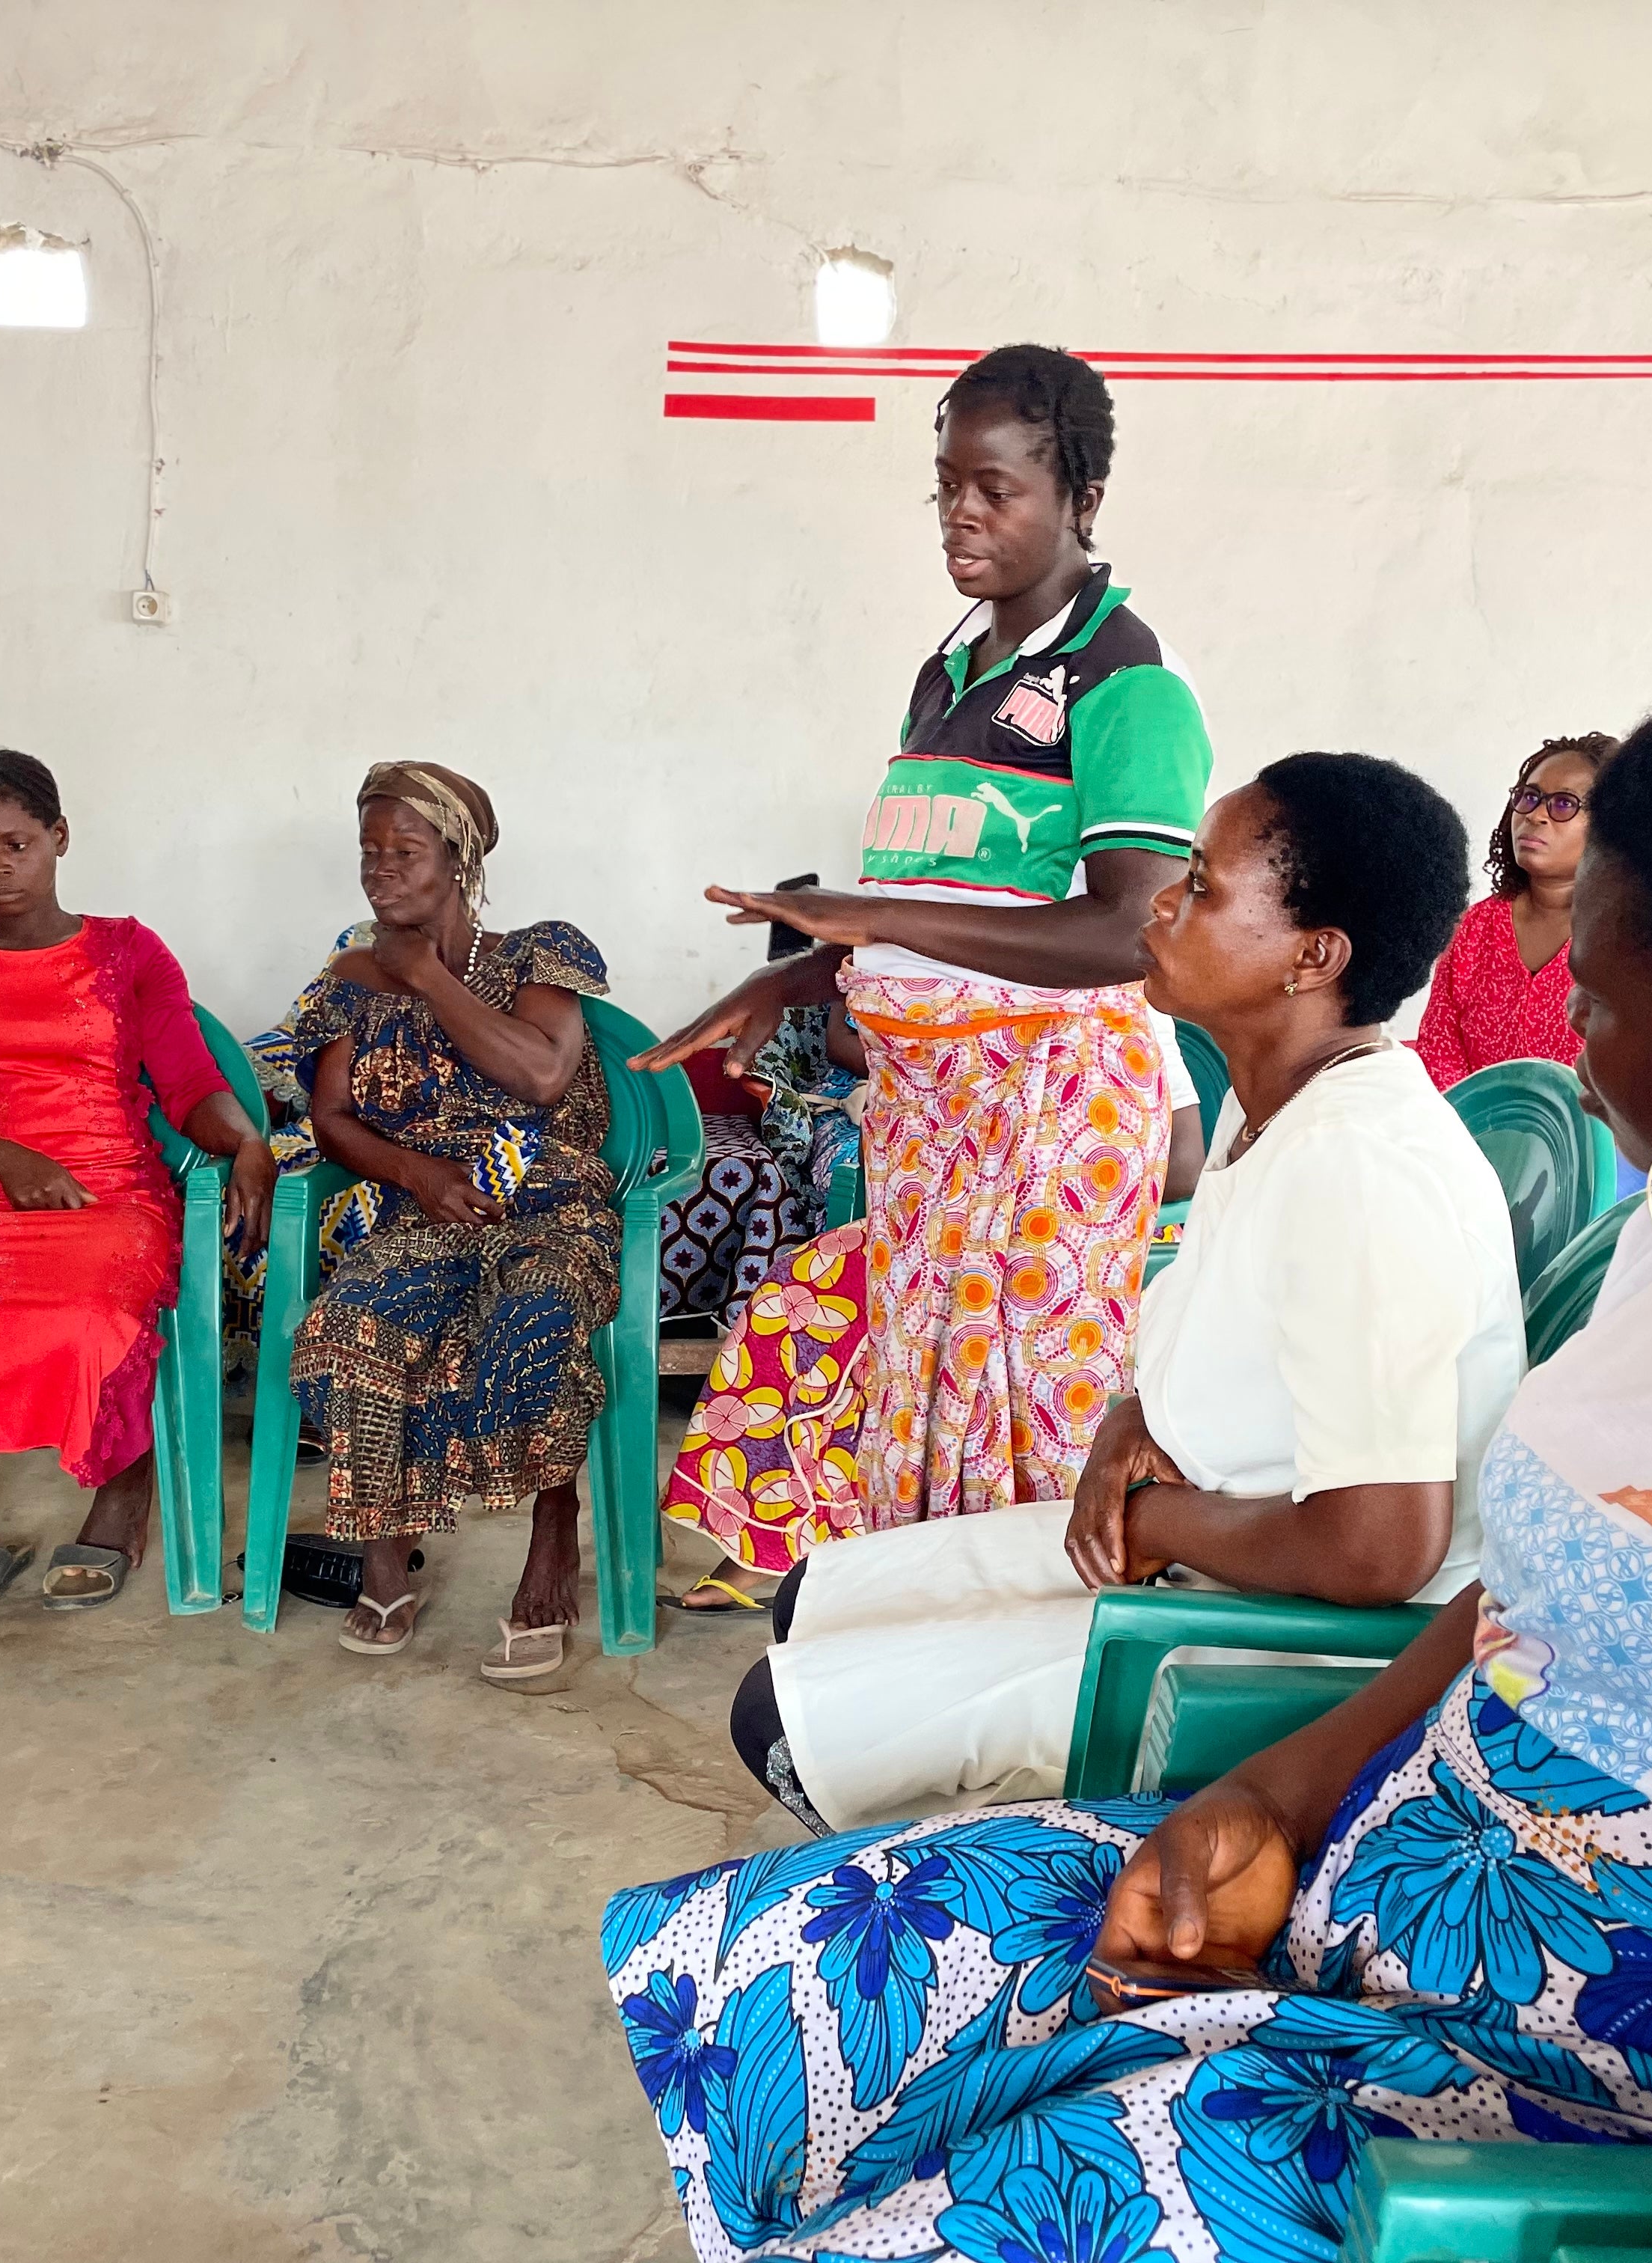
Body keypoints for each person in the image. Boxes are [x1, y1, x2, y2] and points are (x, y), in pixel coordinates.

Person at [598, 668, 1652, 2263]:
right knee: (808, 1964)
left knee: (1044, 2168)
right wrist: (1279, 1789)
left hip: (1608, 2053)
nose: (1566, 1023)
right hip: (1387, 1853)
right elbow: (1535, 1590)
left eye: (1604, 1003)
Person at [722, 753, 1524, 1831]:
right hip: (1219, 1540)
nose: (1160, 901)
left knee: (776, 1719)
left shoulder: (1360, 1163)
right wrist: (1132, 1419)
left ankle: (992, 1888)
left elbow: (1379, 1548)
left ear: (1312, 956)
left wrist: (1162, 1520)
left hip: (1288, 1633)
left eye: (1199, 884)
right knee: (808, 1598)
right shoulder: (1281, 1098)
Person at [632, 343, 1214, 1530]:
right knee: (929, 1409)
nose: (960, 512)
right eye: (947, 483)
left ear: (1081, 501)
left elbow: (1125, 933)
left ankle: (1031, 1692)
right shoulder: (948, 672)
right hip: (928, 1121)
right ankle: (925, 1674)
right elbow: (953, 901)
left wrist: (873, 919)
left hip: (1052, 1124)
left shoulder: (1127, 680)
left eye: (995, 488)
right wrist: (805, 972)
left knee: (1027, 1422)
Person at [0, 750, 274, 1612]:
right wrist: (2, 1157)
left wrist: (247, 1140)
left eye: (19, 843)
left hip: (114, 1200)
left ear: (60, 838)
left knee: (91, 1322)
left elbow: (186, 1085)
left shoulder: (127, 951)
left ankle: (120, 1504)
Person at [656, 1001, 1205, 1616]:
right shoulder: (960, 985)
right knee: (806, 1293)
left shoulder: (1123, 1016)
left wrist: (1016, 1188)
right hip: (952, 1232)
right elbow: (855, 1038)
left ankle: (955, 1559)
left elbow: (1182, 1167)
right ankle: (779, 1542)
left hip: (1078, 1245)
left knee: (925, 1342)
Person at [276, 761, 618, 1684]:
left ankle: (554, 1530)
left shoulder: (538, 955)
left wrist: (427, 975)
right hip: (423, 1210)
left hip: (547, 1203)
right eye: (369, 850)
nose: (381, 869)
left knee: (534, 1319)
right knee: (347, 1333)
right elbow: (332, 1116)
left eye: (406, 851)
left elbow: (541, 1077)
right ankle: (386, 1552)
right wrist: (415, 1172)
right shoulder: (350, 975)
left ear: (459, 860)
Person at [1413, 733, 1615, 1090]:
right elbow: (1439, 1055)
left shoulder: (1627, 939)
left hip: (1596, 1141)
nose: (1536, 815)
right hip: (1470, 1133)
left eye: (1564, 804)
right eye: (1530, 797)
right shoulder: (1473, 928)